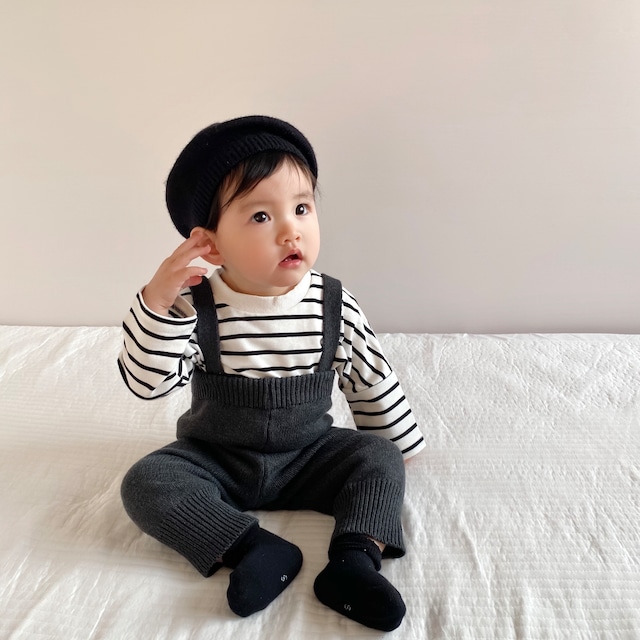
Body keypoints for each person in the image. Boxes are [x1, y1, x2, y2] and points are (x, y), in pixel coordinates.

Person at [118, 115, 425, 631]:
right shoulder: (194, 308)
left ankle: (354, 562)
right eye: (261, 216)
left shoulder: (332, 303)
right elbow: (147, 383)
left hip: (309, 455)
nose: (290, 230)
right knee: (145, 482)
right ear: (211, 245)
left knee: (378, 457)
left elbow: (369, 375)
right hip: (218, 458)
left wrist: (398, 448)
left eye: (301, 208)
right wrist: (157, 304)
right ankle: (253, 548)